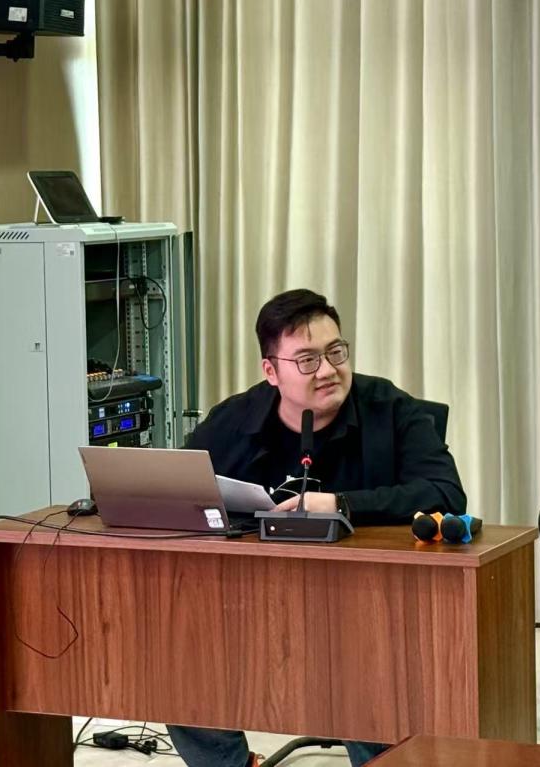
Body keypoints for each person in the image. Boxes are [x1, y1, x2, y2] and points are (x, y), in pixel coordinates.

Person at [166, 288, 467, 767]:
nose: (327, 370)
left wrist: (341, 504)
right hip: (254, 599)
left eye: (336, 352)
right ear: (271, 371)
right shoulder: (235, 420)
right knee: (180, 659)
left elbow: (445, 493)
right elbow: (177, 485)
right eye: (307, 360)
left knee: (368, 675)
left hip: (369, 604)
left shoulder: (391, 409)